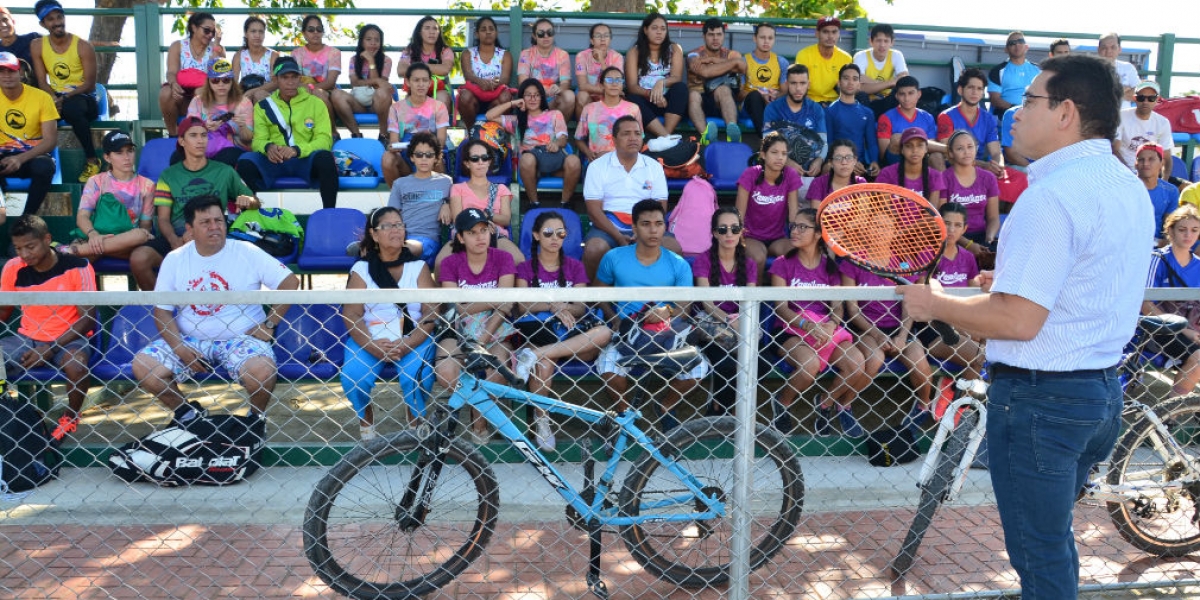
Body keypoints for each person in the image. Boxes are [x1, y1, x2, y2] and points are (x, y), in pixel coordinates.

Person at [898, 54, 1152, 600]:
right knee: (1053, 545)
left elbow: (1017, 319)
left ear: (1065, 112)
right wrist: (1011, 276)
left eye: (1029, 100)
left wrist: (935, 302)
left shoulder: (1051, 198)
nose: (1013, 112)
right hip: (1101, 396)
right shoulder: (1126, 184)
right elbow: (1083, 278)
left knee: (1041, 557)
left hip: (1044, 404)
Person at [133, 195, 300, 424]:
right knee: (143, 366)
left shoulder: (246, 251)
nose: (215, 227)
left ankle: (254, 420)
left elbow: (289, 281)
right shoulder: (174, 259)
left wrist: (270, 323)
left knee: (262, 371)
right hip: (190, 339)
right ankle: (187, 414)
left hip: (241, 338)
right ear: (190, 228)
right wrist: (179, 348)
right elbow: (162, 312)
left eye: (219, 220)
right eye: (206, 222)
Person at [594, 198, 709, 431]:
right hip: (628, 334)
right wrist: (614, 318)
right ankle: (624, 415)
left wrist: (666, 310)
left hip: (667, 334)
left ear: (665, 227)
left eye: (658, 223)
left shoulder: (678, 264)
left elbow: (685, 307)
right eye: (646, 224)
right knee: (607, 366)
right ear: (634, 228)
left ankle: (665, 406)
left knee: (700, 368)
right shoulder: (614, 257)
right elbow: (598, 293)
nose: (653, 229)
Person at [512, 210, 613, 450]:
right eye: (548, 233)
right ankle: (542, 420)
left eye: (560, 233)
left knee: (604, 333)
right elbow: (523, 305)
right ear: (536, 235)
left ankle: (537, 354)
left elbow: (580, 306)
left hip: (569, 332)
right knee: (545, 364)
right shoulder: (525, 268)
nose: (554, 238)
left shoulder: (574, 266)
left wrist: (565, 308)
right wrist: (554, 306)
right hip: (540, 331)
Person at [768, 208, 869, 436]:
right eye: (794, 226)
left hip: (823, 328)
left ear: (818, 234)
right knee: (809, 366)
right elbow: (781, 308)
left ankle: (824, 403)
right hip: (791, 329)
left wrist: (832, 325)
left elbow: (837, 306)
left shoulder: (830, 266)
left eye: (803, 227)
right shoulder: (782, 264)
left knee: (857, 363)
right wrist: (807, 326)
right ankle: (782, 403)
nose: (795, 231)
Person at [340, 206, 438, 441]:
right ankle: (365, 418)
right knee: (353, 377)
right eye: (387, 226)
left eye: (399, 224)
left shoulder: (419, 267)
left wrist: (407, 343)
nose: (396, 230)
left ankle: (415, 418)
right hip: (372, 337)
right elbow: (351, 315)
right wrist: (373, 345)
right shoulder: (361, 269)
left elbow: (431, 313)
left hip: (413, 336)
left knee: (418, 376)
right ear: (374, 235)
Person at [130, 116, 259, 291]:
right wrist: (174, 241)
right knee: (139, 258)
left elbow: (255, 202)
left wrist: (248, 201)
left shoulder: (224, 171)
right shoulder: (168, 176)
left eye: (204, 135)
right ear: (182, 141)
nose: (200, 140)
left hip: (214, 235)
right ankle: (164, 310)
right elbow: (163, 219)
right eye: (193, 136)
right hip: (180, 237)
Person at [0, 214, 96, 441]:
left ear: (47, 239)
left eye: (30, 246)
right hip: (27, 339)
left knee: (76, 367)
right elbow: (4, 311)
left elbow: (88, 319)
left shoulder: (78, 266)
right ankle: (6, 417)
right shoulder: (14, 267)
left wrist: (51, 348)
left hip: (69, 338)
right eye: (18, 248)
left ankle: (70, 417)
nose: (24, 254)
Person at [841, 208, 932, 439]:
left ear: (894, 232)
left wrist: (902, 335)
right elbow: (852, 309)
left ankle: (923, 406)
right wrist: (878, 335)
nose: (879, 232)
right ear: (866, 231)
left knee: (920, 364)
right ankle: (845, 405)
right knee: (874, 359)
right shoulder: (854, 261)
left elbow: (909, 305)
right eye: (875, 227)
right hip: (865, 327)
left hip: (899, 326)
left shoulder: (903, 262)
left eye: (885, 227)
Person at [435, 207, 517, 444]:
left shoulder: (503, 258)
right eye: (472, 232)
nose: (481, 237)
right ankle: (479, 410)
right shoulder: (451, 262)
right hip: (457, 329)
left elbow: (504, 306)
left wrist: (481, 341)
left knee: (500, 370)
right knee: (446, 372)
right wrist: (493, 299)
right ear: (460, 237)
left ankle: (477, 418)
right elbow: (453, 308)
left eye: (484, 230)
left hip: (496, 329)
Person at [910, 201, 983, 427]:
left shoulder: (968, 258)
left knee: (984, 346)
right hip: (934, 330)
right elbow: (924, 305)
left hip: (963, 324)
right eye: (946, 224)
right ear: (937, 225)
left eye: (957, 225)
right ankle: (958, 408)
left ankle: (953, 393)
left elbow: (974, 299)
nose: (951, 230)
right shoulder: (925, 256)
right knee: (978, 357)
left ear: (964, 229)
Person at [581, 115, 681, 280]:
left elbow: (660, 208)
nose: (633, 138)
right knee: (594, 249)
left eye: (637, 133)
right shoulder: (597, 167)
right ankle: (595, 301)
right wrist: (619, 237)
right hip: (608, 226)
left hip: (646, 224)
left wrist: (643, 231)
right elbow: (593, 211)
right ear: (614, 139)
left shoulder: (654, 167)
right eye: (626, 133)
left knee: (674, 248)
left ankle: (660, 299)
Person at [237, 56, 339, 210]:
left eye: (294, 77)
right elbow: (258, 140)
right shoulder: (264, 106)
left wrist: (296, 150)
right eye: (285, 77)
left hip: (304, 159)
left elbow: (325, 140)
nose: (290, 82)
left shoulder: (316, 103)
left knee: (325, 158)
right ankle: (253, 214)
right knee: (245, 161)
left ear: (300, 79)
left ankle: (329, 214)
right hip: (275, 160)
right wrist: (268, 147)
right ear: (276, 80)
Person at [691, 207, 756, 415]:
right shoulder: (704, 260)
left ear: (741, 232)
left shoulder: (749, 263)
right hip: (712, 325)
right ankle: (722, 411)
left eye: (734, 229)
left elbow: (751, 301)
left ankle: (730, 409)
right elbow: (707, 302)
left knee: (759, 364)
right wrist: (730, 320)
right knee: (727, 364)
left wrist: (741, 320)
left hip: (739, 323)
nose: (729, 234)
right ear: (714, 232)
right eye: (723, 229)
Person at [29, 0, 99, 182]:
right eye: (51, 19)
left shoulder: (83, 46)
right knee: (34, 113)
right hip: (57, 97)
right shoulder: (37, 45)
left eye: (59, 16)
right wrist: (52, 99)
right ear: (43, 24)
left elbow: (90, 84)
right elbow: (41, 80)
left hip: (84, 97)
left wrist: (64, 98)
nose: (57, 22)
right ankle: (34, 160)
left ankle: (92, 160)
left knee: (72, 109)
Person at [488, 78, 579, 208]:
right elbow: (489, 116)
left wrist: (556, 144)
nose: (533, 98)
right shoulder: (516, 121)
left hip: (553, 156)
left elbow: (563, 138)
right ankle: (534, 203)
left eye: (536, 95)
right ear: (522, 98)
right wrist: (512, 103)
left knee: (574, 161)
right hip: (532, 163)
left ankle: (565, 203)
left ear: (542, 97)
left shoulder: (555, 114)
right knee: (527, 158)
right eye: (528, 95)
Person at [64, 131, 154, 259]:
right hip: (97, 236)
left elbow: (145, 226)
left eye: (130, 150)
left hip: (127, 242)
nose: (127, 157)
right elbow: (82, 216)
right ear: (107, 157)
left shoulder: (147, 184)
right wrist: (93, 234)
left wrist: (143, 234)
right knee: (82, 261)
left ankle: (75, 250)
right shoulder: (96, 181)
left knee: (140, 236)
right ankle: (84, 250)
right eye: (119, 153)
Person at [435, 138, 523, 268]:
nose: (480, 162)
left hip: (495, 235)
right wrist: (481, 221)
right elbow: (458, 219)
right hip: (465, 236)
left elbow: (506, 219)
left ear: (489, 161)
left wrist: (488, 217)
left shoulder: (501, 189)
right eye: (475, 158)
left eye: (485, 157)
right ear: (467, 163)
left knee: (519, 261)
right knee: (440, 263)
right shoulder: (457, 188)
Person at [1143, 205, 1200, 397]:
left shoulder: (1199, 266)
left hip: (1193, 329)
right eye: (1182, 229)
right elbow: (1145, 305)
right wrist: (1185, 330)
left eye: (1194, 230)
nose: (1188, 235)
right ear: (1170, 231)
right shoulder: (1157, 260)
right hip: (1158, 328)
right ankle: (1169, 416)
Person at [737, 132, 803, 282]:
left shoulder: (790, 175)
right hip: (750, 236)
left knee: (798, 251)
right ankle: (754, 303)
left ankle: (786, 302)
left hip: (777, 238)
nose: (780, 157)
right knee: (759, 257)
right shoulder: (750, 175)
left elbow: (793, 214)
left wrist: (798, 236)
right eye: (774, 152)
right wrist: (739, 239)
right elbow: (738, 213)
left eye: (784, 154)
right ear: (763, 155)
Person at [0, 51, 57, 216]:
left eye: (11, 70)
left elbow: (50, 141)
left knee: (45, 167)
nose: (6, 76)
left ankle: (26, 219)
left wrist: (19, 159)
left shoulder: (42, 98)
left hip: (31, 156)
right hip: (3, 155)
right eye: (1, 71)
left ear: (21, 72)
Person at [386, 131, 451, 266]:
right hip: (401, 235)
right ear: (411, 157)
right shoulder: (400, 183)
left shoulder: (446, 182)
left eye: (429, 155)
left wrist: (447, 203)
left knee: (405, 248)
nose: (424, 159)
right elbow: (391, 215)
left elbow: (458, 202)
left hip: (428, 240)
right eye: (419, 154)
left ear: (437, 158)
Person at [382, 62, 449, 187]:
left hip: (431, 155)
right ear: (407, 82)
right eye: (416, 80)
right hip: (407, 157)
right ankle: (398, 199)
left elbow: (441, 140)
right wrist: (394, 146)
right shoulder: (396, 108)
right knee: (387, 158)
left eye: (425, 80)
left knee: (436, 156)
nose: (421, 84)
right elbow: (394, 141)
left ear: (430, 83)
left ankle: (441, 199)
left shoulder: (439, 106)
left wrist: (425, 149)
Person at [158, 11, 223, 136]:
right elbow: (171, 72)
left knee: (201, 91)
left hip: (204, 97)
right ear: (194, 27)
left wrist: (216, 45)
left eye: (213, 32)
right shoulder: (178, 46)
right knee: (165, 92)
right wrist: (173, 84)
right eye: (206, 30)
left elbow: (215, 74)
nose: (210, 35)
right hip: (182, 97)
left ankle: (201, 133)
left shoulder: (217, 48)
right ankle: (173, 134)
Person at [625, 12, 689, 140]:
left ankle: (666, 135)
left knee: (681, 88)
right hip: (646, 100)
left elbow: (676, 77)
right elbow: (631, 86)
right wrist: (651, 94)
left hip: (668, 103)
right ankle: (667, 138)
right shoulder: (635, 51)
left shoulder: (675, 48)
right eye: (654, 28)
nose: (659, 32)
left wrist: (661, 83)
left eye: (663, 28)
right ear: (645, 30)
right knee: (631, 98)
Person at [178, 58, 252, 166]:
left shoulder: (244, 102)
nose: (221, 84)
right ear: (209, 82)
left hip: (233, 149)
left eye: (226, 80)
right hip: (201, 146)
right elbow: (187, 131)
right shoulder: (198, 101)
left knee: (229, 157)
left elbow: (248, 139)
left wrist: (242, 126)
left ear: (232, 82)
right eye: (215, 80)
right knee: (177, 156)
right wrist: (204, 126)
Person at [686, 18, 745, 144]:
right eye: (711, 35)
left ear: (723, 36)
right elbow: (705, 72)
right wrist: (731, 64)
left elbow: (742, 66)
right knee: (693, 95)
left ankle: (733, 134)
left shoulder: (732, 55)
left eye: (719, 34)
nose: (715, 38)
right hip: (701, 102)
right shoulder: (693, 54)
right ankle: (706, 136)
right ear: (704, 36)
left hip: (723, 102)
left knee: (723, 89)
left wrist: (710, 61)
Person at [763, 63, 827, 176]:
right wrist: (787, 162)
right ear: (787, 84)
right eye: (793, 83)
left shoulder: (816, 109)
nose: (798, 88)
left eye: (802, 83)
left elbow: (824, 143)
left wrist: (819, 161)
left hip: (809, 171)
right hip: (780, 169)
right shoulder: (773, 108)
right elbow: (767, 143)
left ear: (809, 84)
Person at [942, 130, 1001, 252]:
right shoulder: (944, 178)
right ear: (951, 153)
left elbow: (993, 217)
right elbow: (942, 220)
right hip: (953, 238)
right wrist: (968, 245)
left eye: (970, 147)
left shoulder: (988, 178)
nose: (966, 152)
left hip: (982, 236)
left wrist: (988, 240)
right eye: (960, 148)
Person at [333, 24, 394, 141]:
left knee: (382, 92)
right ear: (362, 42)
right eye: (368, 39)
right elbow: (354, 82)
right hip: (358, 103)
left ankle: (383, 135)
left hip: (378, 104)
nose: (373, 43)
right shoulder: (354, 60)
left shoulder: (386, 60)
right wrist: (376, 80)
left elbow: (379, 87)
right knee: (336, 94)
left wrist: (371, 61)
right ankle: (356, 135)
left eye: (377, 40)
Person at [937, 68, 1002, 175]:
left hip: (980, 169)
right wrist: (984, 165)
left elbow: (996, 152)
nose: (975, 92)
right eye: (970, 87)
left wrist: (998, 167)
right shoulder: (946, 116)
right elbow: (948, 153)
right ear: (960, 90)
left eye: (979, 89)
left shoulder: (988, 118)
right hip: (954, 169)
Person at [574, 65, 642, 162]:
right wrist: (588, 152)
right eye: (609, 80)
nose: (614, 84)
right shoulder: (590, 109)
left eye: (618, 80)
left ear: (622, 85)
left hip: (624, 161)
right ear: (601, 85)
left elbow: (639, 138)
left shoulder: (633, 109)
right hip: (597, 161)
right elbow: (578, 139)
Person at [824, 64, 879, 178]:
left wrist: (874, 161)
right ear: (839, 83)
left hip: (861, 166)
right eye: (846, 78)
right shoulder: (830, 111)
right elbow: (829, 143)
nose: (850, 82)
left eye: (855, 79)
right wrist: (846, 162)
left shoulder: (867, 113)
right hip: (839, 163)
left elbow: (872, 142)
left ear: (859, 84)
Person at [397, 16, 455, 122]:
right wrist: (432, 67)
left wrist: (418, 67)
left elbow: (445, 69)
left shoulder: (445, 51)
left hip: (439, 89)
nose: (432, 32)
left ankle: (439, 135)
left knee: (442, 98)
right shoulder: (410, 50)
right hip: (415, 90)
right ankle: (414, 136)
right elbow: (401, 70)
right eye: (427, 28)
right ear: (420, 32)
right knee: (410, 101)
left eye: (435, 28)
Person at [457, 17, 512, 127]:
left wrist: (494, 83)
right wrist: (480, 82)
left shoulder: (505, 54)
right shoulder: (468, 53)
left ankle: (496, 134)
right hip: (475, 97)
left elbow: (505, 78)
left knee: (506, 96)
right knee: (464, 96)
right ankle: (472, 132)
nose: (488, 32)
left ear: (496, 33)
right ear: (477, 34)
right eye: (483, 29)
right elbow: (468, 75)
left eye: (491, 29)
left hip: (495, 97)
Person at [516, 19, 575, 121]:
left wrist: (559, 89)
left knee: (569, 96)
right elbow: (523, 83)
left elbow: (566, 83)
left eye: (550, 32)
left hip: (553, 98)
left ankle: (558, 131)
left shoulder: (562, 55)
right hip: (533, 97)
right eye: (541, 33)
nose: (546, 36)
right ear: (534, 36)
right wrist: (541, 91)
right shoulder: (526, 54)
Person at [877, 75, 941, 166]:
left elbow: (930, 147)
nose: (906, 98)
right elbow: (883, 153)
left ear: (919, 94)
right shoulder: (886, 118)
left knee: (937, 155)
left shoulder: (928, 117)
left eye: (911, 93)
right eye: (902, 94)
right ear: (896, 96)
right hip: (897, 163)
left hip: (921, 161)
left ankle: (943, 180)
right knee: (896, 138)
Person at [290, 15, 341, 126]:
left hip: (327, 91)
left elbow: (331, 82)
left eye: (319, 29)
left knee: (319, 94)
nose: (315, 32)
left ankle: (332, 132)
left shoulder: (334, 52)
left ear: (323, 32)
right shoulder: (296, 53)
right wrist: (307, 89)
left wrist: (312, 89)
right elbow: (295, 79)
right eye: (311, 29)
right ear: (304, 33)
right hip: (302, 90)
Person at [876, 127, 945, 205]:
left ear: (926, 149)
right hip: (893, 217)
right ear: (902, 150)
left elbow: (933, 213)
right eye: (909, 146)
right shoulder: (886, 174)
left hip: (926, 217)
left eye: (919, 145)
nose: (915, 150)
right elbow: (885, 209)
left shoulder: (935, 176)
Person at [1114, 80, 1173, 169]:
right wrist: (1129, 173)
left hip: (1150, 174)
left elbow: (1166, 157)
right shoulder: (1121, 116)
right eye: (1141, 98)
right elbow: (1114, 150)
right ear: (1135, 98)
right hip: (1123, 172)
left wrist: (1164, 180)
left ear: (1157, 100)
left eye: (1151, 98)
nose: (1146, 102)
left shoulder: (1163, 122)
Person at [740, 23, 788, 135]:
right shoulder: (744, 61)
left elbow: (784, 91)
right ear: (755, 38)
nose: (766, 41)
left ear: (774, 40)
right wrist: (761, 95)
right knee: (755, 96)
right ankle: (765, 138)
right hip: (750, 106)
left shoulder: (781, 62)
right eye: (762, 37)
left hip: (773, 105)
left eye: (770, 38)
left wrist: (775, 95)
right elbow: (739, 94)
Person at [794, 16, 851, 105]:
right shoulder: (804, 55)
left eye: (834, 32)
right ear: (817, 33)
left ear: (839, 34)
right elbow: (798, 85)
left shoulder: (846, 58)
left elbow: (847, 88)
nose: (830, 36)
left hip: (835, 104)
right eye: (825, 32)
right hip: (808, 102)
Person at [574, 23, 623, 120]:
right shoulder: (582, 56)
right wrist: (607, 90)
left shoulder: (617, 57)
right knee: (582, 96)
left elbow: (615, 82)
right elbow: (583, 85)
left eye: (606, 35)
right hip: (589, 95)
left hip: (608, 95)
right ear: (591, 40)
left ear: (610, 39)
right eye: (598, 36)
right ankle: (585, 131)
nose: (602, 39)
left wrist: (601, 61)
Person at [852, 23, 909, 107]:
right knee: (860, 94)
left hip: (886, 99)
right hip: (866, 100)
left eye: (886, 41)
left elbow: (904, 79)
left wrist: (873, 85)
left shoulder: (896, 55)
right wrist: (891, 83)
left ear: (892, 42)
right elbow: (859, 85)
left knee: (901, 93)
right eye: (878, 40)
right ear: (871, 41)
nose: (882, 45)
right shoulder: (861, 56)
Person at [1134, 143, 1179, 246]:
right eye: (1141, 159)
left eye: (1151, 159)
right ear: (1135, 163)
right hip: (1131, 243)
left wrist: (1165, 243)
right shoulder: (1125, 188)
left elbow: (1169, 225)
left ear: (1161, 163)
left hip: (1159, 244)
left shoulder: (1171, 191)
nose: (1145, 163)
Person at [987, 31, 1040, 119]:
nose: (1017, 45)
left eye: (1020, 41)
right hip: (1008, 117)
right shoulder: (997, 71)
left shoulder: (1038, 70)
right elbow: (995, 100)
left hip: (1033, 118)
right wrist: (1016, 109)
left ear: (1026, 47)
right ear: (1006, 49)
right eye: (1012, 43)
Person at [805, 139, 867, 208]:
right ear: (830, 162)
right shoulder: (818, 183)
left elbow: (863, 216)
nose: (844, 162)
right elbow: (816, 215)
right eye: (838, 158)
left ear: (855, 161)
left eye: (849, 157)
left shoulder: (861, 183)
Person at [231, 16, 278, 105]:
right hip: (246, 97)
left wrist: (254, 91)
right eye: (253, 31)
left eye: (261, 32)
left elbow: (276, 83)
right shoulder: (239, 56)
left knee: (259, 95)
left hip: (267, 97)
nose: (257, 35)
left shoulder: (272, 55)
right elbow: (233, 82)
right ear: (246, 33)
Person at [0, 6, 40, 86]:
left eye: (5, 20)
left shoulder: (33, 38)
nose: (3, 24)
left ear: (13, 21)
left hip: (35, 93)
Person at [1098, 32, 1140, 104]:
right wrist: (1121, 91)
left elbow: (1139, 93)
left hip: (1124, 114)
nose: (1108, 51)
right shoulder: (1090, 70)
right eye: (1104, 48)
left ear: (1119, 49)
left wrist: (1108, 93)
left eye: (1113, 47)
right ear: (1098, 50)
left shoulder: (1128, 68)